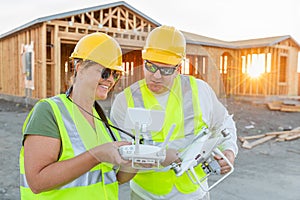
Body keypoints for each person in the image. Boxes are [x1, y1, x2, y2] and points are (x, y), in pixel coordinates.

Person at [110, 25, 238, 200]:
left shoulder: (200, 91)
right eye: (151, 66)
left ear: (179, 68)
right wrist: (160, 156)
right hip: (145, 195)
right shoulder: (124, 101)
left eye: (166, 69)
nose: (156, 76)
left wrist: (229, 151)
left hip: (195, 194)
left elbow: (224, 124)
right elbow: (120, 154)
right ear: (143, 59)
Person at [19, 32, 135, 199]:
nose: (110, 79)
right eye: (105, 72)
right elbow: (37, 182)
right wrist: (96, 155)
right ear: (79, 67)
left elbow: (111, 178)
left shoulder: (102, 120)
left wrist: (135, 163)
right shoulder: (49, 111)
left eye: (115, 74)